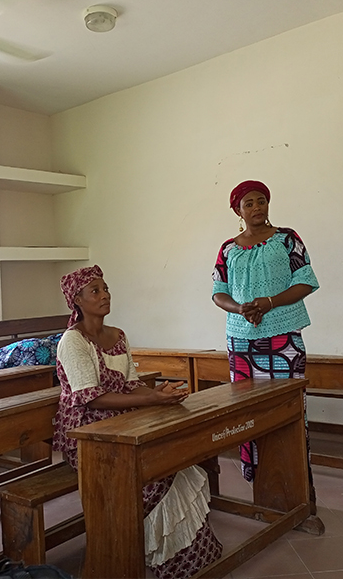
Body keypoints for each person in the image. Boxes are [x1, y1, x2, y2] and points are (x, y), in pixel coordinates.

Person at [52, 265, 222, 578]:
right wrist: (150, 399)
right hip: (90, 436)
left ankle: (189, 561)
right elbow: (92, 398)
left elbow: (131, 384)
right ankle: (123, 545)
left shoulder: (117, 335)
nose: (105, 295)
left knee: (176, 460)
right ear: (76, 300)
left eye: (106, 289)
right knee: (157, 472)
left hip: (126, 425)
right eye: (96, 291)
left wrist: (160, 393)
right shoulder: (72, 342)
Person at [211, 180, 322, 529]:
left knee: (288, 411)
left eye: (262, 201)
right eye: (248, 203)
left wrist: (269, 303)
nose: (257, 207)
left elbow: (306, 281)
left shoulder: (288, 239)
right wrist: (241, 309)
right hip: (242, 342)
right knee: (250, 413)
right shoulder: (228, 249)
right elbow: (218, 292)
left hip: (283, 336)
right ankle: (263, 493)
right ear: (237, 211)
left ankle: (300, 495)